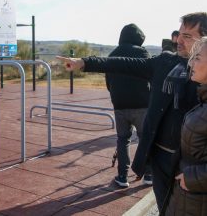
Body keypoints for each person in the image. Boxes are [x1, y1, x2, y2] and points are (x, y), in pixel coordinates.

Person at [56, 12, 207, 211]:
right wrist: (84, 62)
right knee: (165, 207)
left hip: (188, 162)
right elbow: (123, 63)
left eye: (187, 36)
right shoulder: (164, 62)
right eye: (179, 34)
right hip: (159, 157)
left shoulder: (201, 73)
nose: (179, 40)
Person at [163, 37, 207, 215]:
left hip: (196, 198)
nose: (191, 63)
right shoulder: (203, 98)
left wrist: (191, 179)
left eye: (197, 58)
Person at [105, 23, 151, 188]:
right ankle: (148, 173)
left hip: (120, 105)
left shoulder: (112, 55)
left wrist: (116, 96)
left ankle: (122, 176)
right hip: (142, 104)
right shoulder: (143, 53)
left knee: (123, 140)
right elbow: (150, 75)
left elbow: (108, 82)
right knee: (145, 138)